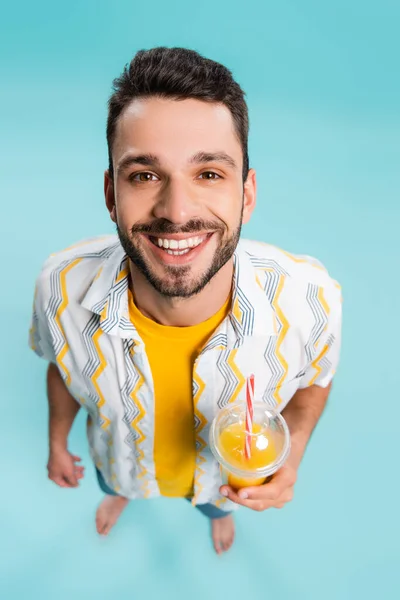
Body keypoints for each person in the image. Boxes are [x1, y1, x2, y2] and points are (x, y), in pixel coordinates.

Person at [29, 47, 342, 555]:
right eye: (144, 175)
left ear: (247, 193)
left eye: (209, 174)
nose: (176, 213)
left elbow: (316, 380)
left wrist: (294, 451)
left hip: (224, 478)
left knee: (218, 503)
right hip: (118, 463)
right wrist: (57, 444)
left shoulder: (312, 300)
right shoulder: (57, 287)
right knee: (116, 483)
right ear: (111, 194)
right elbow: (60, 369)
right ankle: (122, 497)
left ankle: (216, 516)